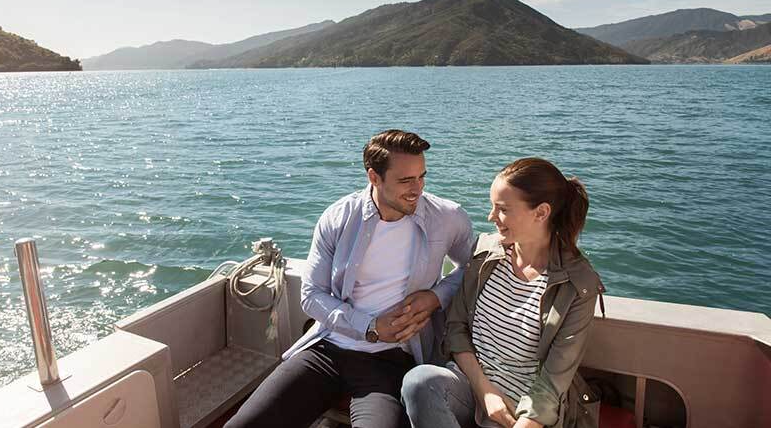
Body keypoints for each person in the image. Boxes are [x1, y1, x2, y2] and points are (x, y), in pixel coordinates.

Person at [224, 129, 474, 428]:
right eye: (406, 180)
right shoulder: (338, 217)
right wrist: (369, 327)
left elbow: (473, 268)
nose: (417, 189)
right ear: (374, 177)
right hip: (327, 349)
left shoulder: (447, 217)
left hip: (391, 361)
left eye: (422, 177)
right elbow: (311, 294)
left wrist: (436, 296)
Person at [401, 157, 605, 428]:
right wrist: (486, 392)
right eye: (492, 207)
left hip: (523, 409)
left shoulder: (577, 284)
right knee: (419, 382)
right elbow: (457, 329)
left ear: (541, 212)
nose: (491, 217)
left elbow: (553, 383)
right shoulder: (485, 253)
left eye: (503, 209)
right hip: (471, 385)